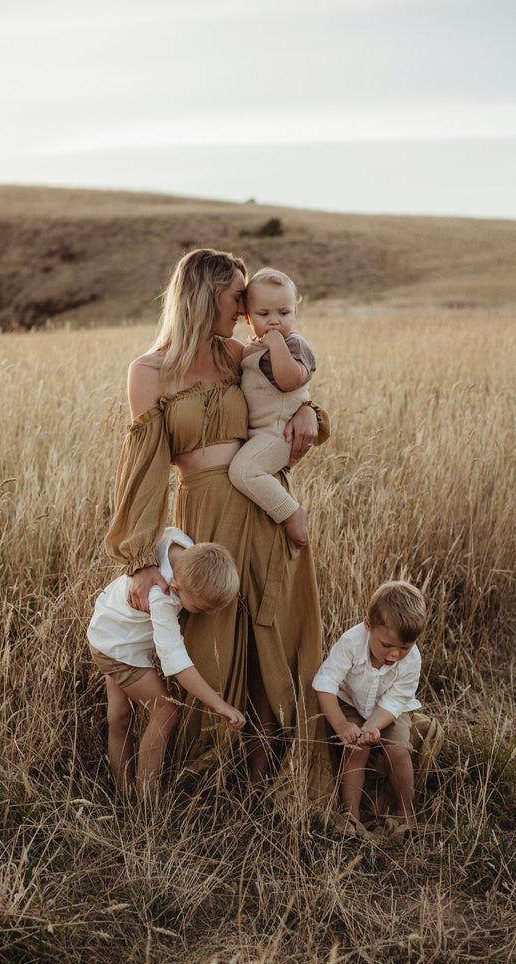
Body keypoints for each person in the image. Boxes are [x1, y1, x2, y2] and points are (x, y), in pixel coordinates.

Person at [104, 248, 335, 800]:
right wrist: (139, 561)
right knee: (211, 641)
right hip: (206, 523)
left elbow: (288, 396)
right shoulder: (149, 372)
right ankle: (206, 778)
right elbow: (144, 473)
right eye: (237, 297)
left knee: (271, 635)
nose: (247, 309)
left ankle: (266, 778)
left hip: (266, 510)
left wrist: (310, 413)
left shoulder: (240, 354)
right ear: (206, 296)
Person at [88, 527, 244, 798]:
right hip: (119, 649)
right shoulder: (162, 596)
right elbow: (176, 663)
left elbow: (163, 531)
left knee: (119, 716)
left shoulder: (178, 543)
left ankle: (123, 795)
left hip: (107, 628)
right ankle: (146, 803)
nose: (210, 613)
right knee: (166, 712)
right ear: (176, 588)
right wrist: (219, 704)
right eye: (200, 608)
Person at [312, 581, 427, 830]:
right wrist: (342, 724)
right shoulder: (352, 642)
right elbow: (325, 683)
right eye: (386, 645)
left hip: (391, 710)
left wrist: (374, 726)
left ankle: (406, 813)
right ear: (368, 625)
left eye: (404, 648)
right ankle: (351, 815)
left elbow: (397, 700)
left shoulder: (412, 658)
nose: (394, 655)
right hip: (350, 702)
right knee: (356, 749)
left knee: (398, 751)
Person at [227, 268, 315, 548]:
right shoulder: (252, 347)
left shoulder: (292, 343)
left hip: (280, 433)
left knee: (243, 472)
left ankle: (291, 512)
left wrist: (276, 345)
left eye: (284, 313)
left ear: (295, 314)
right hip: (261, 432)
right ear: (248, 317)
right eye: (264, 315)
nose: (275, 322)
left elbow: (291, 381)